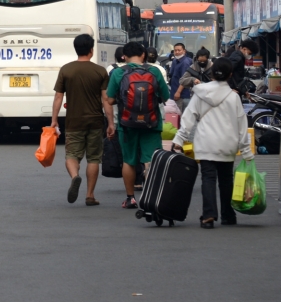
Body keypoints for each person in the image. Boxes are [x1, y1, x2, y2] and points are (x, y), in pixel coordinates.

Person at [171, 58, 253, 229]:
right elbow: (241, 125)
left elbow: (188, 118)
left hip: (206, 142)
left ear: (211, 73)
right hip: (228, 144)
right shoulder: (234, 97)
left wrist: (179, 139)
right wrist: (246, 150)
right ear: (230, 75)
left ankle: (208, 214)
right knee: (226, 179)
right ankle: (228, 215)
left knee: (208, 178)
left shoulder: (200, 93)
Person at [105, 41, 170, 209]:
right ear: (143, 55)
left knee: (129, 161)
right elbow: (165, 97)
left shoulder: (118, 73)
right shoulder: (154, 71)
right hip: (152, 123)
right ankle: (151, 198)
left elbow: (110, 99)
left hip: (127, 124)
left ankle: (130, 198)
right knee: (150, 160)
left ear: (124, 57)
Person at [51, 34, 114, 206]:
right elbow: (106, 100)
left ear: (76, 49)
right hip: (95, 121)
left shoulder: (66, 70)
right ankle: (90, 195)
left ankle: (75, 176)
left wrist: (54, 120)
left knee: (72, 155)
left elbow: (58, 97)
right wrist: (111, 123)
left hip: (74, 121)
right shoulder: (100, 71)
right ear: (91, 50)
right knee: (94, 158)